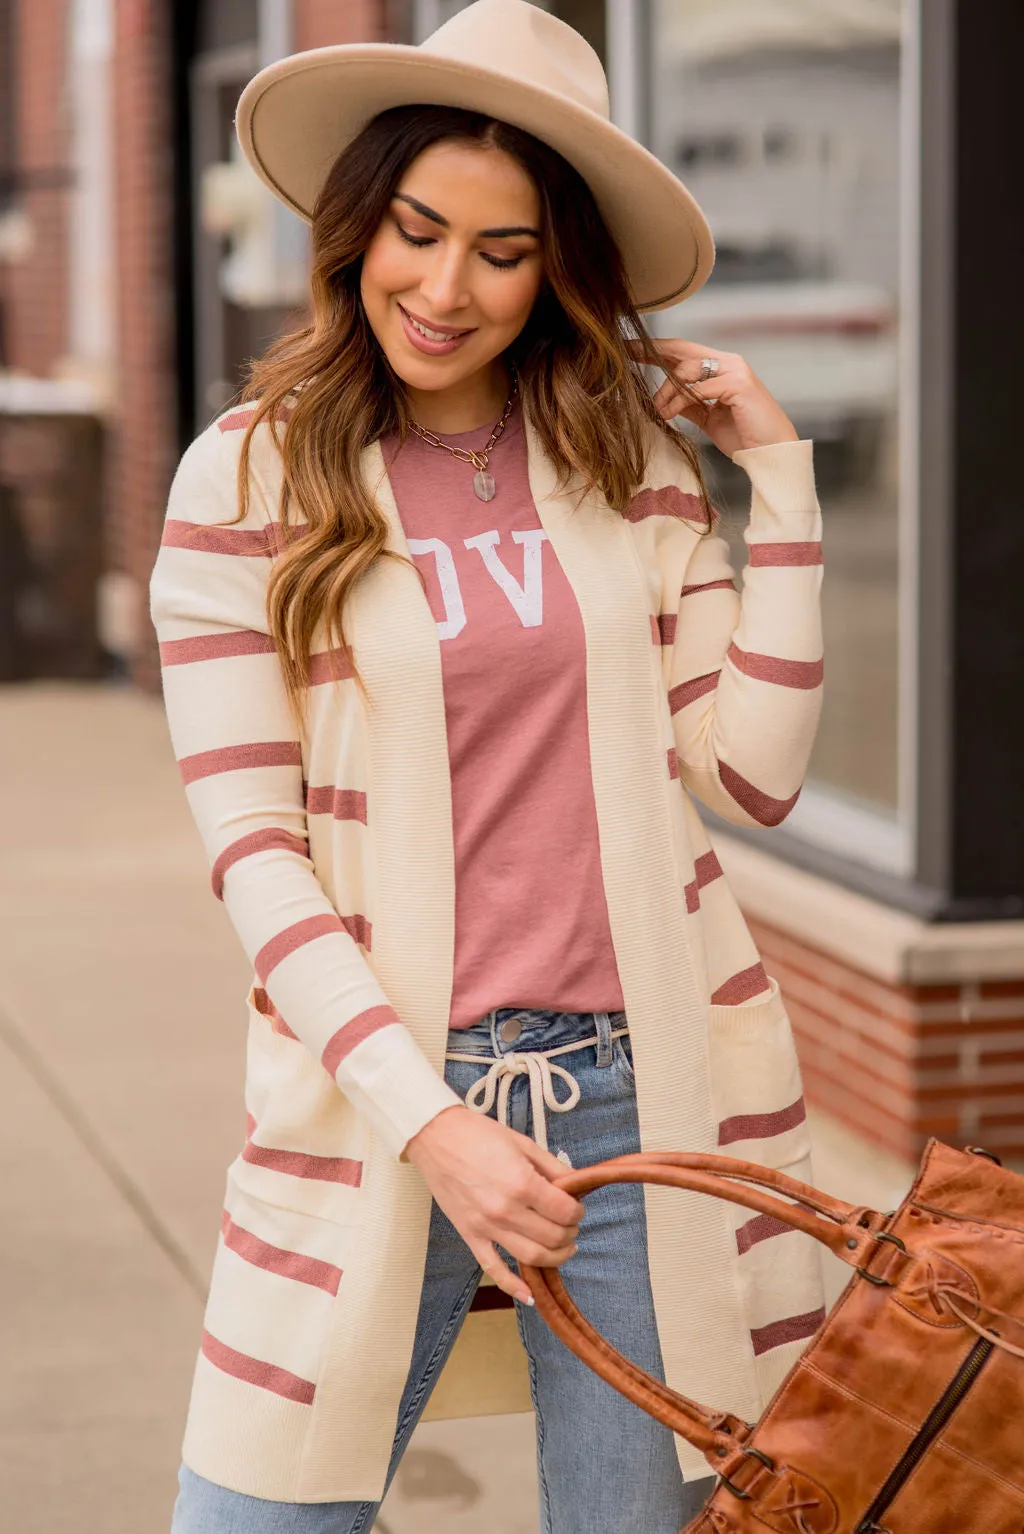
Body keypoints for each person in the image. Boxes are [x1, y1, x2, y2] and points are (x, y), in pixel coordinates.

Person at [152, 3, 827, 1530]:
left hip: (644, 1105)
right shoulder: (243, 480)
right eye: (416, 228)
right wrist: (434, 1119)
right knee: (251, 1513)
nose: (444, 288)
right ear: (356, 225)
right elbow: (258, 853)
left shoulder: (628, 466)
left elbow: (761, 772)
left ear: (557, 270)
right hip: (382, 1104)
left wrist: (776, 482)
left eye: (503, 251)